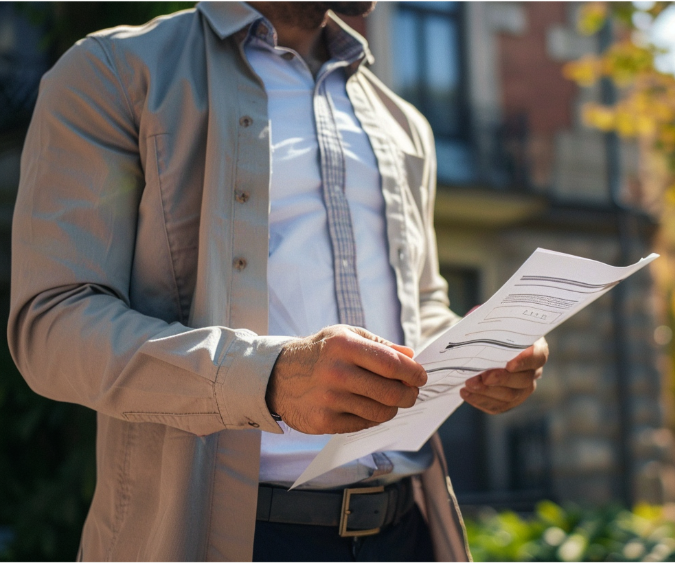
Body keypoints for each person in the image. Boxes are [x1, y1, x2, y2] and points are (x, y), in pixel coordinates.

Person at [8, 1, 549, 561]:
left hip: (407, 528)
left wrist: (482, 352)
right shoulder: (112, 72)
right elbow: (52, 324)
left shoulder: (401, 121)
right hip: (237, 541)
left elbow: (420, 304)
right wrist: (268, 378)